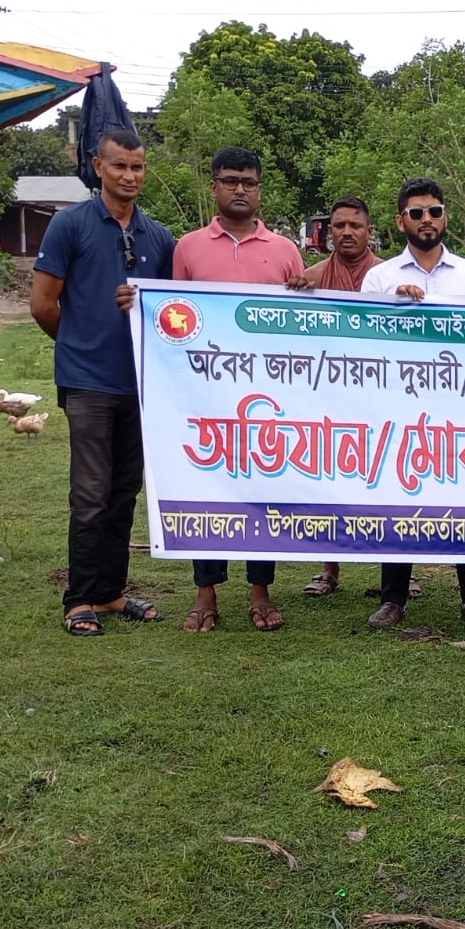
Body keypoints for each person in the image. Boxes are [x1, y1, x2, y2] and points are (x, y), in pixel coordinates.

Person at [32, 128, 174, 637]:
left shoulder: (158, 237)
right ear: (98, 167)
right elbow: (43, 305)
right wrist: (78, 344)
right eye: (119, 166)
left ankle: (112, 592)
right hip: (88, 382)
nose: (129, 176)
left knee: (123, 491)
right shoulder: (69, 225)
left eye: (137, 167)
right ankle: (79, 598)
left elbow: (170, 314)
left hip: (140, 386)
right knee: (89, 492)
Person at [169, 146, 304, 633]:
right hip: (202, 395)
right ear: (214, 187)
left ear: (259, 188)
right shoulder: (187, 247)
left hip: (267, 396)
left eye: (249, 181)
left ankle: (260, 592)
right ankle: (205, 595)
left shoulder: (286, 250)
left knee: (262, 488)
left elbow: (301, 322)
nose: (240, 189)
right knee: (203, 487)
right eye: (231, 181)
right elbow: (170, 319)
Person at [359, 176, 465, 630]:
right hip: (399, 409)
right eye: (417, 212)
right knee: (398, 499)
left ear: (445, 217)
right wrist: (392, 305)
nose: (427, 220)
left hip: (462, 408)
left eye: (435, 211)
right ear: (401, 220)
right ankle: (393, 600)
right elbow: (360, 339)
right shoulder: (380, 277)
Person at [286, 195, 381, 600]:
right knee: (327, 480)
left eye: (354, 226)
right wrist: (292, 294)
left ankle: (397, 568)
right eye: (338, 226)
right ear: (329, 233)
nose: (346, 232)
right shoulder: (311, 278)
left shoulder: (389, 278)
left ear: (368, 232)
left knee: (386, 481)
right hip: (327, 399)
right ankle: (329, 566)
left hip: (381, 397)